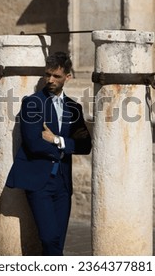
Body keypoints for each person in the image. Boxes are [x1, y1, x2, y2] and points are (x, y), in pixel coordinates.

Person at [6, 51, 92, 255]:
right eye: (48, 75)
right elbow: (34, 143)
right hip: (39, 181)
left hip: (63, 183)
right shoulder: (33, 103)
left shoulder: (74, 108)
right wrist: (66, 147)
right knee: (49, 237)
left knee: (57, 242)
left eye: (56, 76)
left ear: (67, 77)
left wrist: (57, 140)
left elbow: (85, 145)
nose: (50, 80)